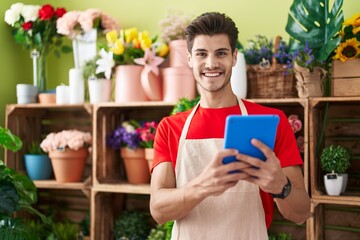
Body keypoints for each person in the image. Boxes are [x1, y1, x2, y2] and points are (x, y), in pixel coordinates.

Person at [150, 12, 310, 239]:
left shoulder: (270, 121)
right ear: (189, 59)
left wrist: (281, 187)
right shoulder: (170, 127)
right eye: (201, 54)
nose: (211, 63)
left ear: (234, 57)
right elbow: (158, 210)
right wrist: (203, 186)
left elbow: (301, 213)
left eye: (221, 53)